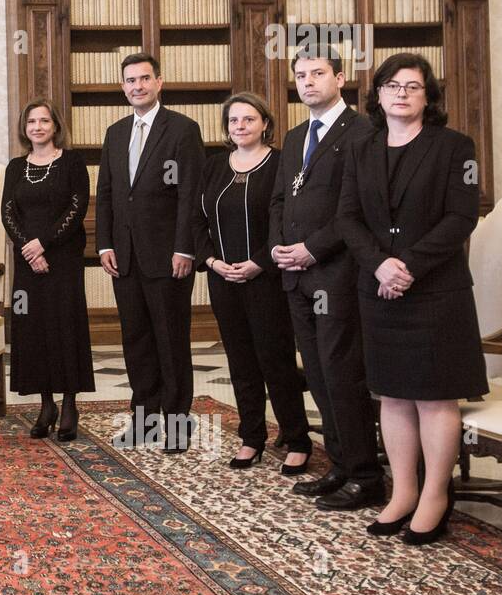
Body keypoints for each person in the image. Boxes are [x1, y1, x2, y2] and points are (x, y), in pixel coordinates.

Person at [337, 54, 487, 544]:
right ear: (377, 95)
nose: (401, 93)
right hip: (377, 289)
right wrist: (379, 263)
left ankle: (435, 497)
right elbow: (348, 218)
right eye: (392, 85)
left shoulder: (456, 147)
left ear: (428, 97)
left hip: (436, 293)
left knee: (434, 395)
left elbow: (461, 217)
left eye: (413, 86)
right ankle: (403, 492)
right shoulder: (361, 148)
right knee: (393, 394)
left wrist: (408, 266)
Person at [268, 45, 383, 510]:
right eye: (300, 74)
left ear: (340, 77)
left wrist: (311, 250)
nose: (308, 82)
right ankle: (338, 465)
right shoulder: (296, 137)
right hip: (294, 275)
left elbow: (358, 210)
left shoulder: (363, 133)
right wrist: (279, 246)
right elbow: (279, 199)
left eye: (318, 73)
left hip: (336, 274)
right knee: (315, 373)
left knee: (342, 374)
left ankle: (366, 475)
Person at [194, 93, 311, 472]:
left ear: (265, 123)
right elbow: (197, 222)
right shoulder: (212, 167)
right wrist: (212, 262)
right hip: (223, 279)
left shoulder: (280, 164)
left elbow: (287, 220)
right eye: (233, 121)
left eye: (248, 119)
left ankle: (297, 439)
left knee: (275, 361)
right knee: (240, 361)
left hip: (267, 278)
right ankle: (251, 438)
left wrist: (259, 263)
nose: (240, 127)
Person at [96, 53, 205, 452]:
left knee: (170, 340)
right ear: (123, 86)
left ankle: (177, 424)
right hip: (123, 256)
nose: (137, 86)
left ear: (159, 82)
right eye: (130, 80)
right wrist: (104, 243)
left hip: (167, 256)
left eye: (144, 79)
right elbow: (107, 192)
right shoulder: (115, 132)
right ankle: (144, 419)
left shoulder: (183, 130)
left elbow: (191, 194)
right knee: (136, 340)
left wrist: (185, 248)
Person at [1, 99, 93, 441]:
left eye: (44, 121)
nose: (37, 127)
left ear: (55, 125)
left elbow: (77, 207)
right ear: (24, 128)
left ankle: (69, 403)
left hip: (63, 259)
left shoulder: (72, 162)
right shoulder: (15, 166)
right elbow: (8, 212)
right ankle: (46, 404)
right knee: (33, 329)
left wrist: (44, 243)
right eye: (31, 122)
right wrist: (29, 247)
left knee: (65, 328)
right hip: (28, 263)